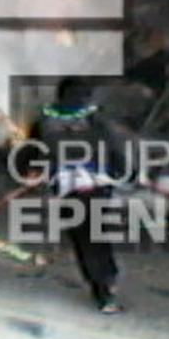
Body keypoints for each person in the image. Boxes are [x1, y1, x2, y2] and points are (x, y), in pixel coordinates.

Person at [38, 77, 122, 314]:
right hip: (96, 186)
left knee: (84, 239)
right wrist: (126, 173)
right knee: (96, 235)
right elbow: (114, 149)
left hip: (69, 190)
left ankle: (102, 286)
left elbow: (36, 153)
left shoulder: (46, 120)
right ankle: (106, 284)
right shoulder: (94, 118)